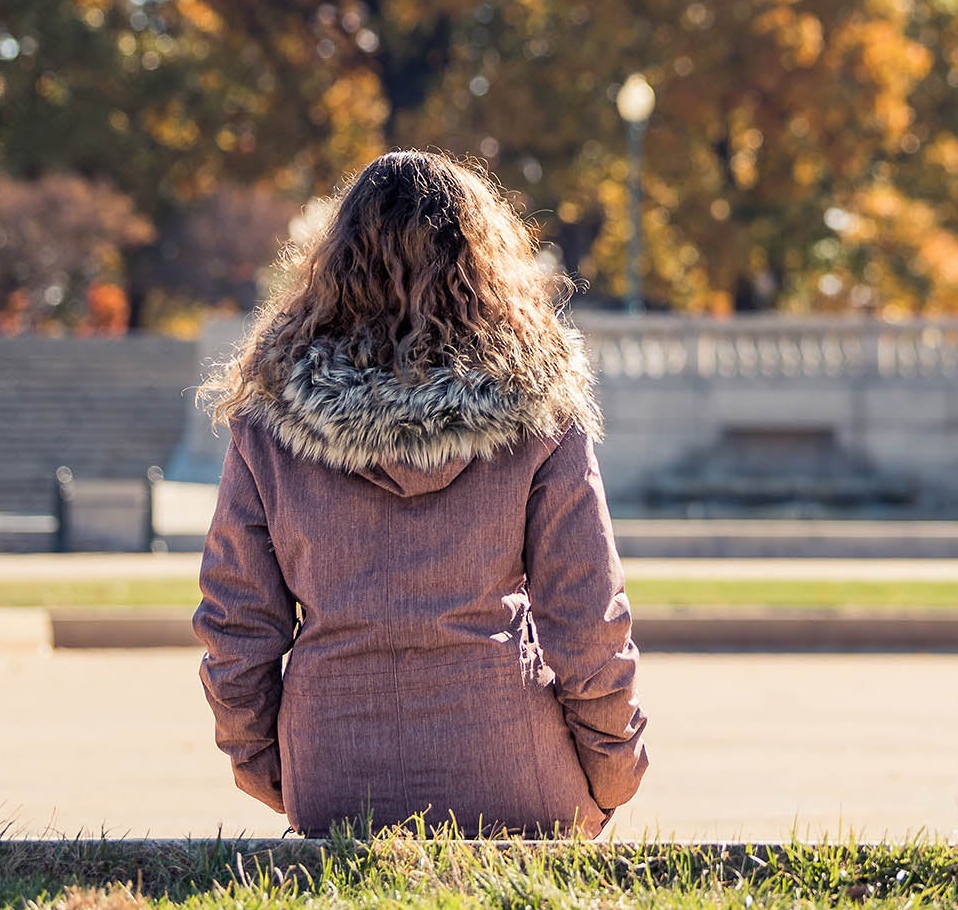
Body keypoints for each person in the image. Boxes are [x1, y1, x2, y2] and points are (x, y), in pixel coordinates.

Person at [192, 150, 647, 837]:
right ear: (483, 264)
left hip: (332, 767)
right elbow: (587, 617)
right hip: (510, 764)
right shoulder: (540, 411)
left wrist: (265, 763)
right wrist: (614, 771)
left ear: (334, 263)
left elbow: (238, 620)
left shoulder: (270, 420)